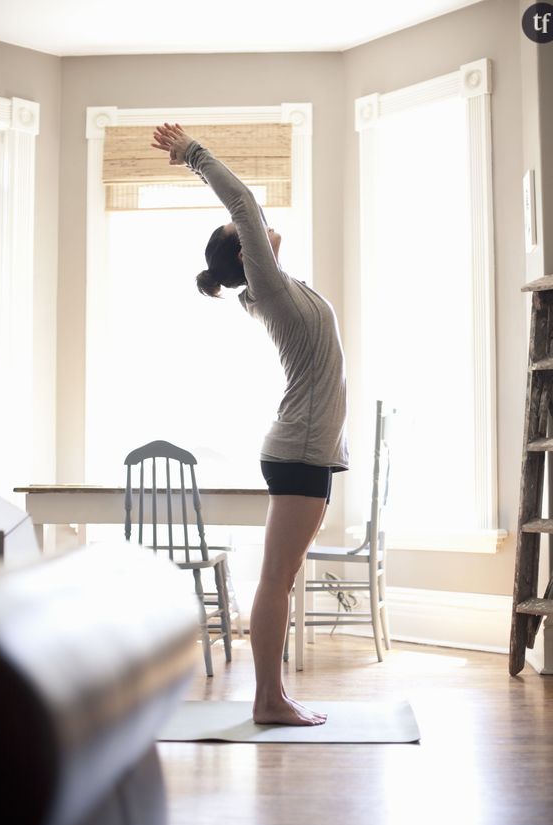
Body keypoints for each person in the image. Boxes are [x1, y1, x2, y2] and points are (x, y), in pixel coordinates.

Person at [152, 123, 349, 726]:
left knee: (279, 578)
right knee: (277, 580)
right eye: (249, 235)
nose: (261, 230)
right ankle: (268, 700)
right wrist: (192, 154)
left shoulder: (274, 288)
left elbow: (262, 227)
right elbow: (245, 201)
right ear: (246, 253)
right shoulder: (266, 287)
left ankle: (272, 697)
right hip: (298, 452)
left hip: (305, 450)